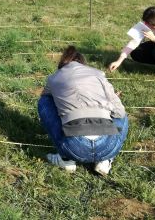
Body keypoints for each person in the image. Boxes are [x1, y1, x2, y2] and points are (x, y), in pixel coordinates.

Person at [38, 46, 128, 175]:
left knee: (45, 101)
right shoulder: (98, 74)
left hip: (73, 146)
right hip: (108, 146)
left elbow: (45, 97)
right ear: (83, 63)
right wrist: (108, 104)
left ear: (62, 63)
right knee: (121, 113)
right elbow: (119, 113)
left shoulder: (53, 78)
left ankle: (66, 159)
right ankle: (105, 160)